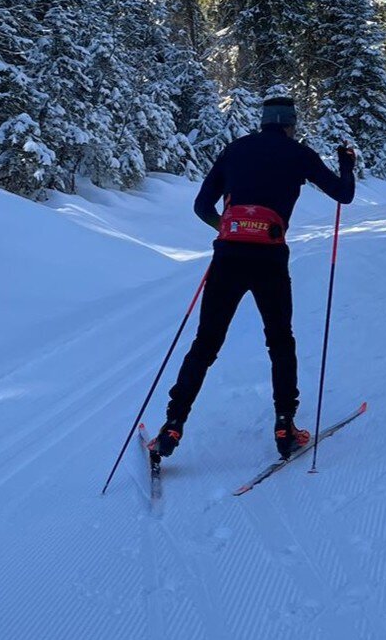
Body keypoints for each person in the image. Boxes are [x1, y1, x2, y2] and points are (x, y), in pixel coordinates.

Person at [151, 95, 356, 460]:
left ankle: (172, 425)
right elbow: (344, 195)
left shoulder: (235, 150)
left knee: (205, 344)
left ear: (263, 122)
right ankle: (284, 427)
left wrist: (228, 228)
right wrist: (346, 164)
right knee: (280, 342)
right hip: (270, 260)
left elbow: (201, 206)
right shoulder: (299, 154)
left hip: (228, 257)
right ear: (290, 124)